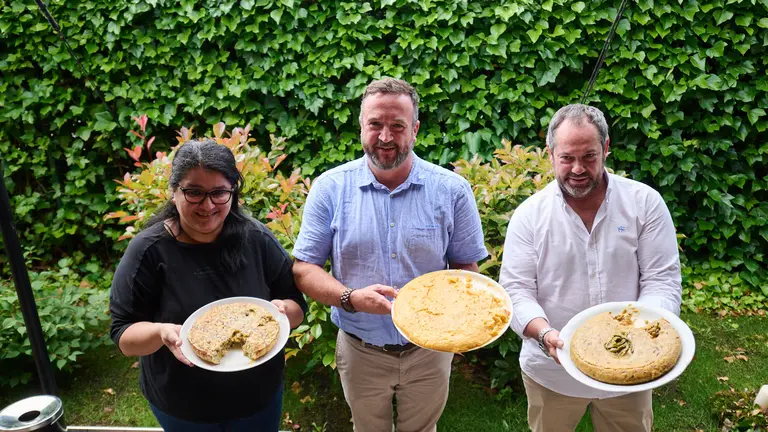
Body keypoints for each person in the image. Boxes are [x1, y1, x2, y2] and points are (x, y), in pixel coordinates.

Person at [292, 77, 487, 432]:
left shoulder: (452, 190)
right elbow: (305, 269)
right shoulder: (330, 188)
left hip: (430, 351)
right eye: (375, 124)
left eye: (397, 126)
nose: (385, 136)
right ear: (361, 126)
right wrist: (350, 298)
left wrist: (461, 323)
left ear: (414, 129)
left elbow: (465, 269)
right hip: (360, 347)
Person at [499, 103, 682, 432]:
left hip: (631, 366)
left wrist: (643, 330)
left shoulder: (645, 203)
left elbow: (662, 281)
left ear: (606, 148)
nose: (578, 168)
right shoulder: (529, 217)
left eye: (589, 157)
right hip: (551, 371)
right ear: (550, 153)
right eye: (567, 158)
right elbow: (515, 291)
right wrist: (544, 334)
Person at [109, 139, 307, 432]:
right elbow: (123, 335)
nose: (208, 204)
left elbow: (296, 304)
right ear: (174, 192)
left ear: (232, 193)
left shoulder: (256, 239)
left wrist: (281, 312)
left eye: (219, 193)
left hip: (258, 398)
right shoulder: (149, 251)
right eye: (194, 192)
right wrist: (160, 332)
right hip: (183, 406)